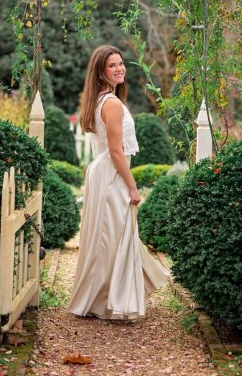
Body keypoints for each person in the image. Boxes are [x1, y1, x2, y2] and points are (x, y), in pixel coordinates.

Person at [68, 45, 169, 320]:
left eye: (121, 63)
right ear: (101, 72)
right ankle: (104, 301)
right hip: (111, 173)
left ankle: (105, 297)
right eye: (112, 65)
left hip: (103, 171)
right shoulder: (110, 103)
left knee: (112, 235)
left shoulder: (102, 99)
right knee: (112, 235)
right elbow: (115, 151)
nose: (119, 68)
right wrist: (133, 186)